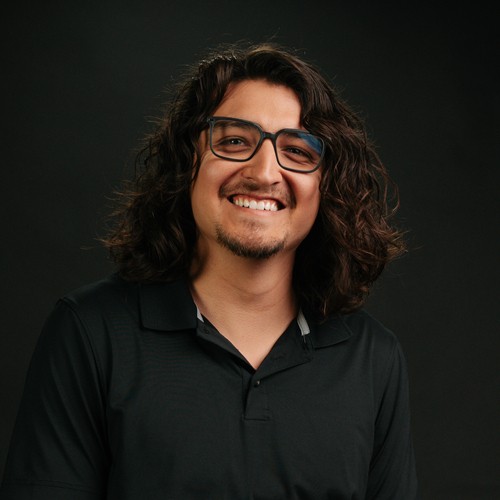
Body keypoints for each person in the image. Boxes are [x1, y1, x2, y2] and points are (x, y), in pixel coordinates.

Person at [0, 43, 419, 499]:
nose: (265, 172)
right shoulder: (90, 333)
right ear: (187, 164)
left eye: (297, 150)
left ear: (326, 186)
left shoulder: (373, 358)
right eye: (235, 141)